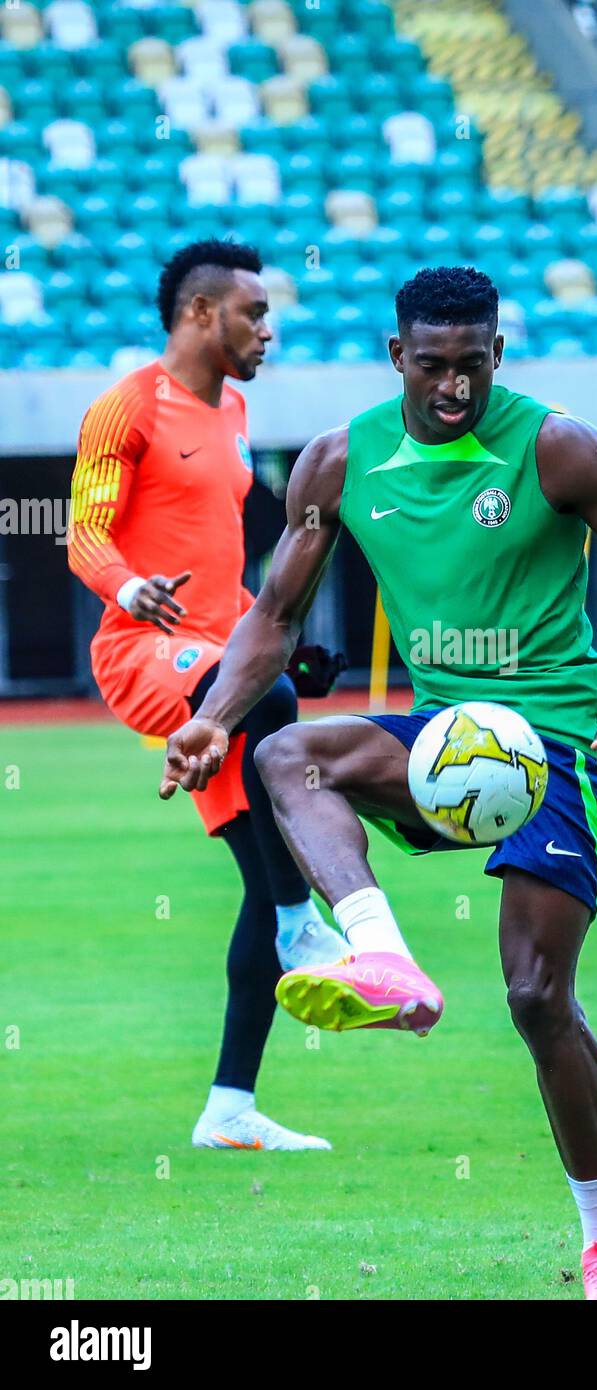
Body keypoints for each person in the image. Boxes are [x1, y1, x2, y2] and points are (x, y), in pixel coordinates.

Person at [159, 265, 597, 1295]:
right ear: (396, 358)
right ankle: (386, 961)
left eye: (472, 364)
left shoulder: (556, 445)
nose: (453, 386)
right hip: (445, 739)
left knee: (535, 995)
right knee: (286, 753)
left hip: (558, 744)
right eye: (432, 365)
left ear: (497, 354)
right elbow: (275, 617)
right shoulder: (341, 460)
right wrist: (209, 720)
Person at [67, 238, 345, 1153]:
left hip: (222, 656)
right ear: (199, 314)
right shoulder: (125, 409)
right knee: (268, 742)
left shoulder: (231, 409)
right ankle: (311, 928)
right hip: (143, 652)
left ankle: (230, 1106)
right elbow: (83, 535)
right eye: (254, 314)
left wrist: (283, 649)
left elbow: (239, 558)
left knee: (264, 869)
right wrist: (128, 587)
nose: (268, 330)